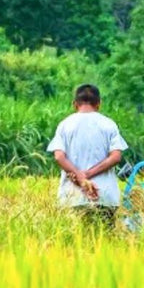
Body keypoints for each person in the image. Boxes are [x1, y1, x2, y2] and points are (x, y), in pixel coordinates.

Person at [47, 84, 130, 227]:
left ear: (74, 104)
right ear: (98, 104)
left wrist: (80, 177)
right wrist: (89, 174)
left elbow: (59, 157)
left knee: (72, 245)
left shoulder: (65, 125)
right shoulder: (109, 124)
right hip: (104, 197)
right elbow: (116, 156)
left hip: (72, 197)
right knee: (105, 243)